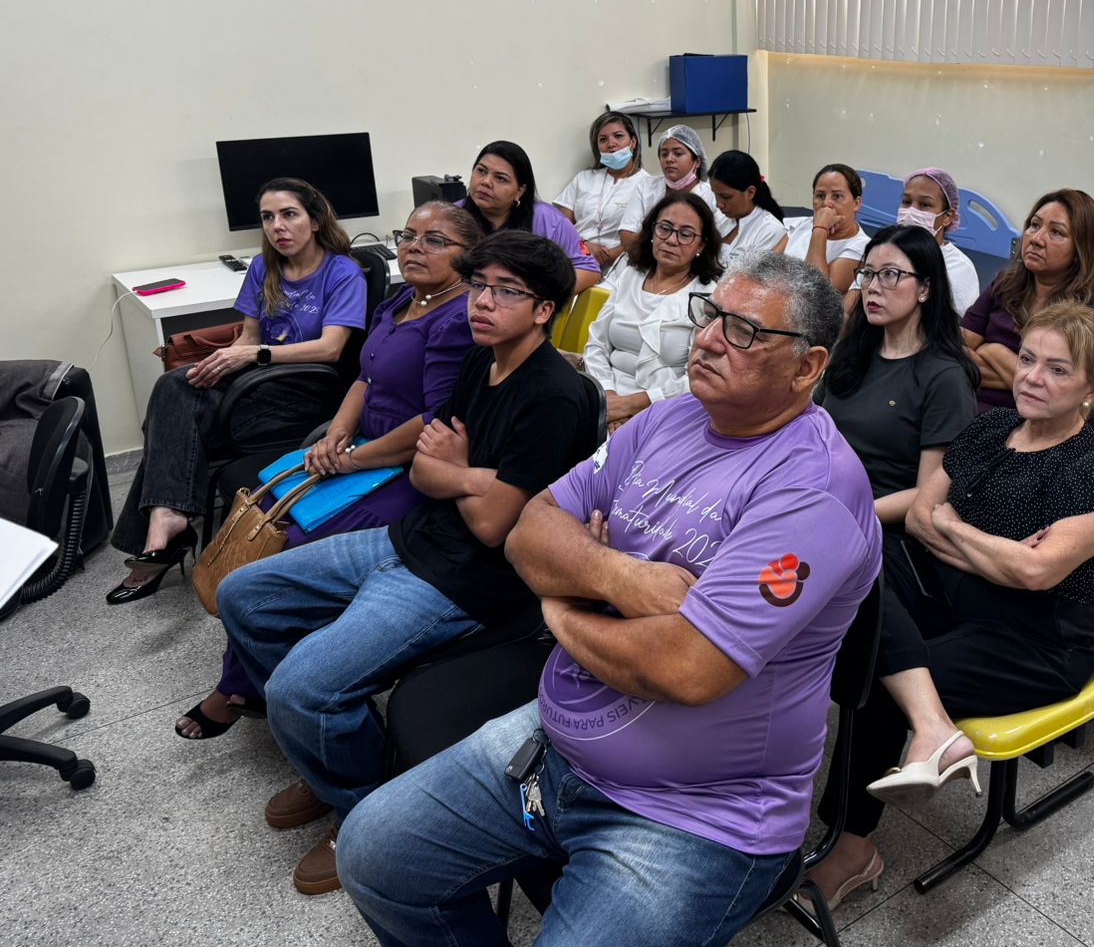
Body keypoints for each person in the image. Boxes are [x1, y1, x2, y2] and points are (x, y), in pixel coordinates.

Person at [335, 253, 880, 946]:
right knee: (375, 856)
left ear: (807, 367)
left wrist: (561, 604)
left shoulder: (812, 489)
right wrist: (621, 579)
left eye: (744, 331)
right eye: (711, 315)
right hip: (556, 738)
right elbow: (530, 528)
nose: (709, 339)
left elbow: (687, 667)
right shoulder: (666, 420)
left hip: (699, 812)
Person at [216, 232, 598, 896]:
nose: (482, 302)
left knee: (300, 689)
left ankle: (362, 806)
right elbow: (423, 471)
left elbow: (492, 525)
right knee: (243, 594)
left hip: (470, 579)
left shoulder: (554, 396)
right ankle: (335, 752)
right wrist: (463, 474)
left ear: (544, 311)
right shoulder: (481, 362)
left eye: (506, 292)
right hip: (413, 536)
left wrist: (455, 471)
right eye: (479, 286)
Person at [804, 302, 1094, 911]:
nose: (1032, 378)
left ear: (1093, 390)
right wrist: (990, 550)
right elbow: (921, 517)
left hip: (1035, 639)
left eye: (1057, 370)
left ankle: (852, 846)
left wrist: (956, 528)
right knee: (859, 555)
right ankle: (933, 729)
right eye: (1027, 359)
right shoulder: (990, 428)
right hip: (954, 596)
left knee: (879, 673)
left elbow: (1035, 573)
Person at [176, 202, 482, 740]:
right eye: (408, 235)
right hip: (358, 444)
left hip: (411, 463)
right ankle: (263, 676)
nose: (414, 247)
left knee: (292, 543)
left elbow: (436, 418)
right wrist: (335, 433)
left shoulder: (458, 319)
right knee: (264, 509)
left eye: (434, 240)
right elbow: (364, 378)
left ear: (468, 255)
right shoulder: (403, 300)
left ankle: (244, 687)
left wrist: (354, 458)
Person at [106, 178, 367, 604]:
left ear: (316, 220)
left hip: (308, 392)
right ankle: (164, 524)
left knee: (172, 425)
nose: (277, 226)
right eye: (268, 217)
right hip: (260, 385)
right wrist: (224, 361)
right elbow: (249, 336)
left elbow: (331, 348)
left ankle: (164, 529)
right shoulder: (264, 267)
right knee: (176, 386)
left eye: (289, 214)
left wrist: (253, 356)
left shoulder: (343, 273)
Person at [818, 224, 979, 528]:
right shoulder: (850, 351)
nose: (873, 287)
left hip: (877, 524)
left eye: (890, 274)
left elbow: (929, 493)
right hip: (817, 497)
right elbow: (810, 429)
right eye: (867, 273)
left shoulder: (946, 377)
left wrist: (850, 515)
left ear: (925, 289)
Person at [961, 189, 1094, 413]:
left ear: (1081, 248)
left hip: (1039, 423)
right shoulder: (1006, 282)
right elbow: (954, 353)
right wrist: (1019, 377)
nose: (1036, 239)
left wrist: (994, 351)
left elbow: (1074, 398)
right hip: (969, 407)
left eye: (1056, 232)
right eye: (1034, 225)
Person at [584, 192, 723, 434]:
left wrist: (631, 405)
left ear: (701, 245)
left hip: (666, 408)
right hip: (605, 396)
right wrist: (608, 397)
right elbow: (596, 344)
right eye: (665, 228)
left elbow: (698, 377)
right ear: (652, 231)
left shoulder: (708, 297)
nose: (671, 240)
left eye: (686, 234)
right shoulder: (630, 276)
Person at [461, 139, 601, 294]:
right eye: (481, 171)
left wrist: (540, 297)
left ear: (520, 191)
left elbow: (588, 270)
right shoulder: (452, 216)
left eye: (500, 178)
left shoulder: (548, 220)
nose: (486, 182)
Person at [843, 168, 981, 318]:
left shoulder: (957, 267)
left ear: (947, 217)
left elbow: (942, 322)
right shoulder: (881, 251)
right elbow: (849, 309)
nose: (911, 211)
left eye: (924, 205)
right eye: (906, 202)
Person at [554, 111, 655, 271]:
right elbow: (560, 225)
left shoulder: (649, 185)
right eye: (603, 139)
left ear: (633, 142)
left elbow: (647, 237)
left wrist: (609, 256)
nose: (611, 144)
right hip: (576, 256)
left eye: (618, 136)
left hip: (622, 264)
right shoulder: (584, 178)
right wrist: (584, 247)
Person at [616, 125, 734, 258]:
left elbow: (716, 243)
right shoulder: (646, 186)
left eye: (678, 154)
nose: (669, 159)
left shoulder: (711, 195)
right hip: (644, 262)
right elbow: (627, 236)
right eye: (664, 154)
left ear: (697, 161)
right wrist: (661, 258)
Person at [783, 162, 872, 294]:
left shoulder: (862, 247)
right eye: (820, 196)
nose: (826, 203)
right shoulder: (801, 224)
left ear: (856, 203)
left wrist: (820, 228)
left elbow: (816, 291)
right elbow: (766, 265)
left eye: (837, 196)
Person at [707, 148, 789, 261]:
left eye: (726, 197)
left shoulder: (770, 231)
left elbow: (754, 273)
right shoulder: (719, 219)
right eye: (715, 195)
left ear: (750, 192)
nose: (718, 204)